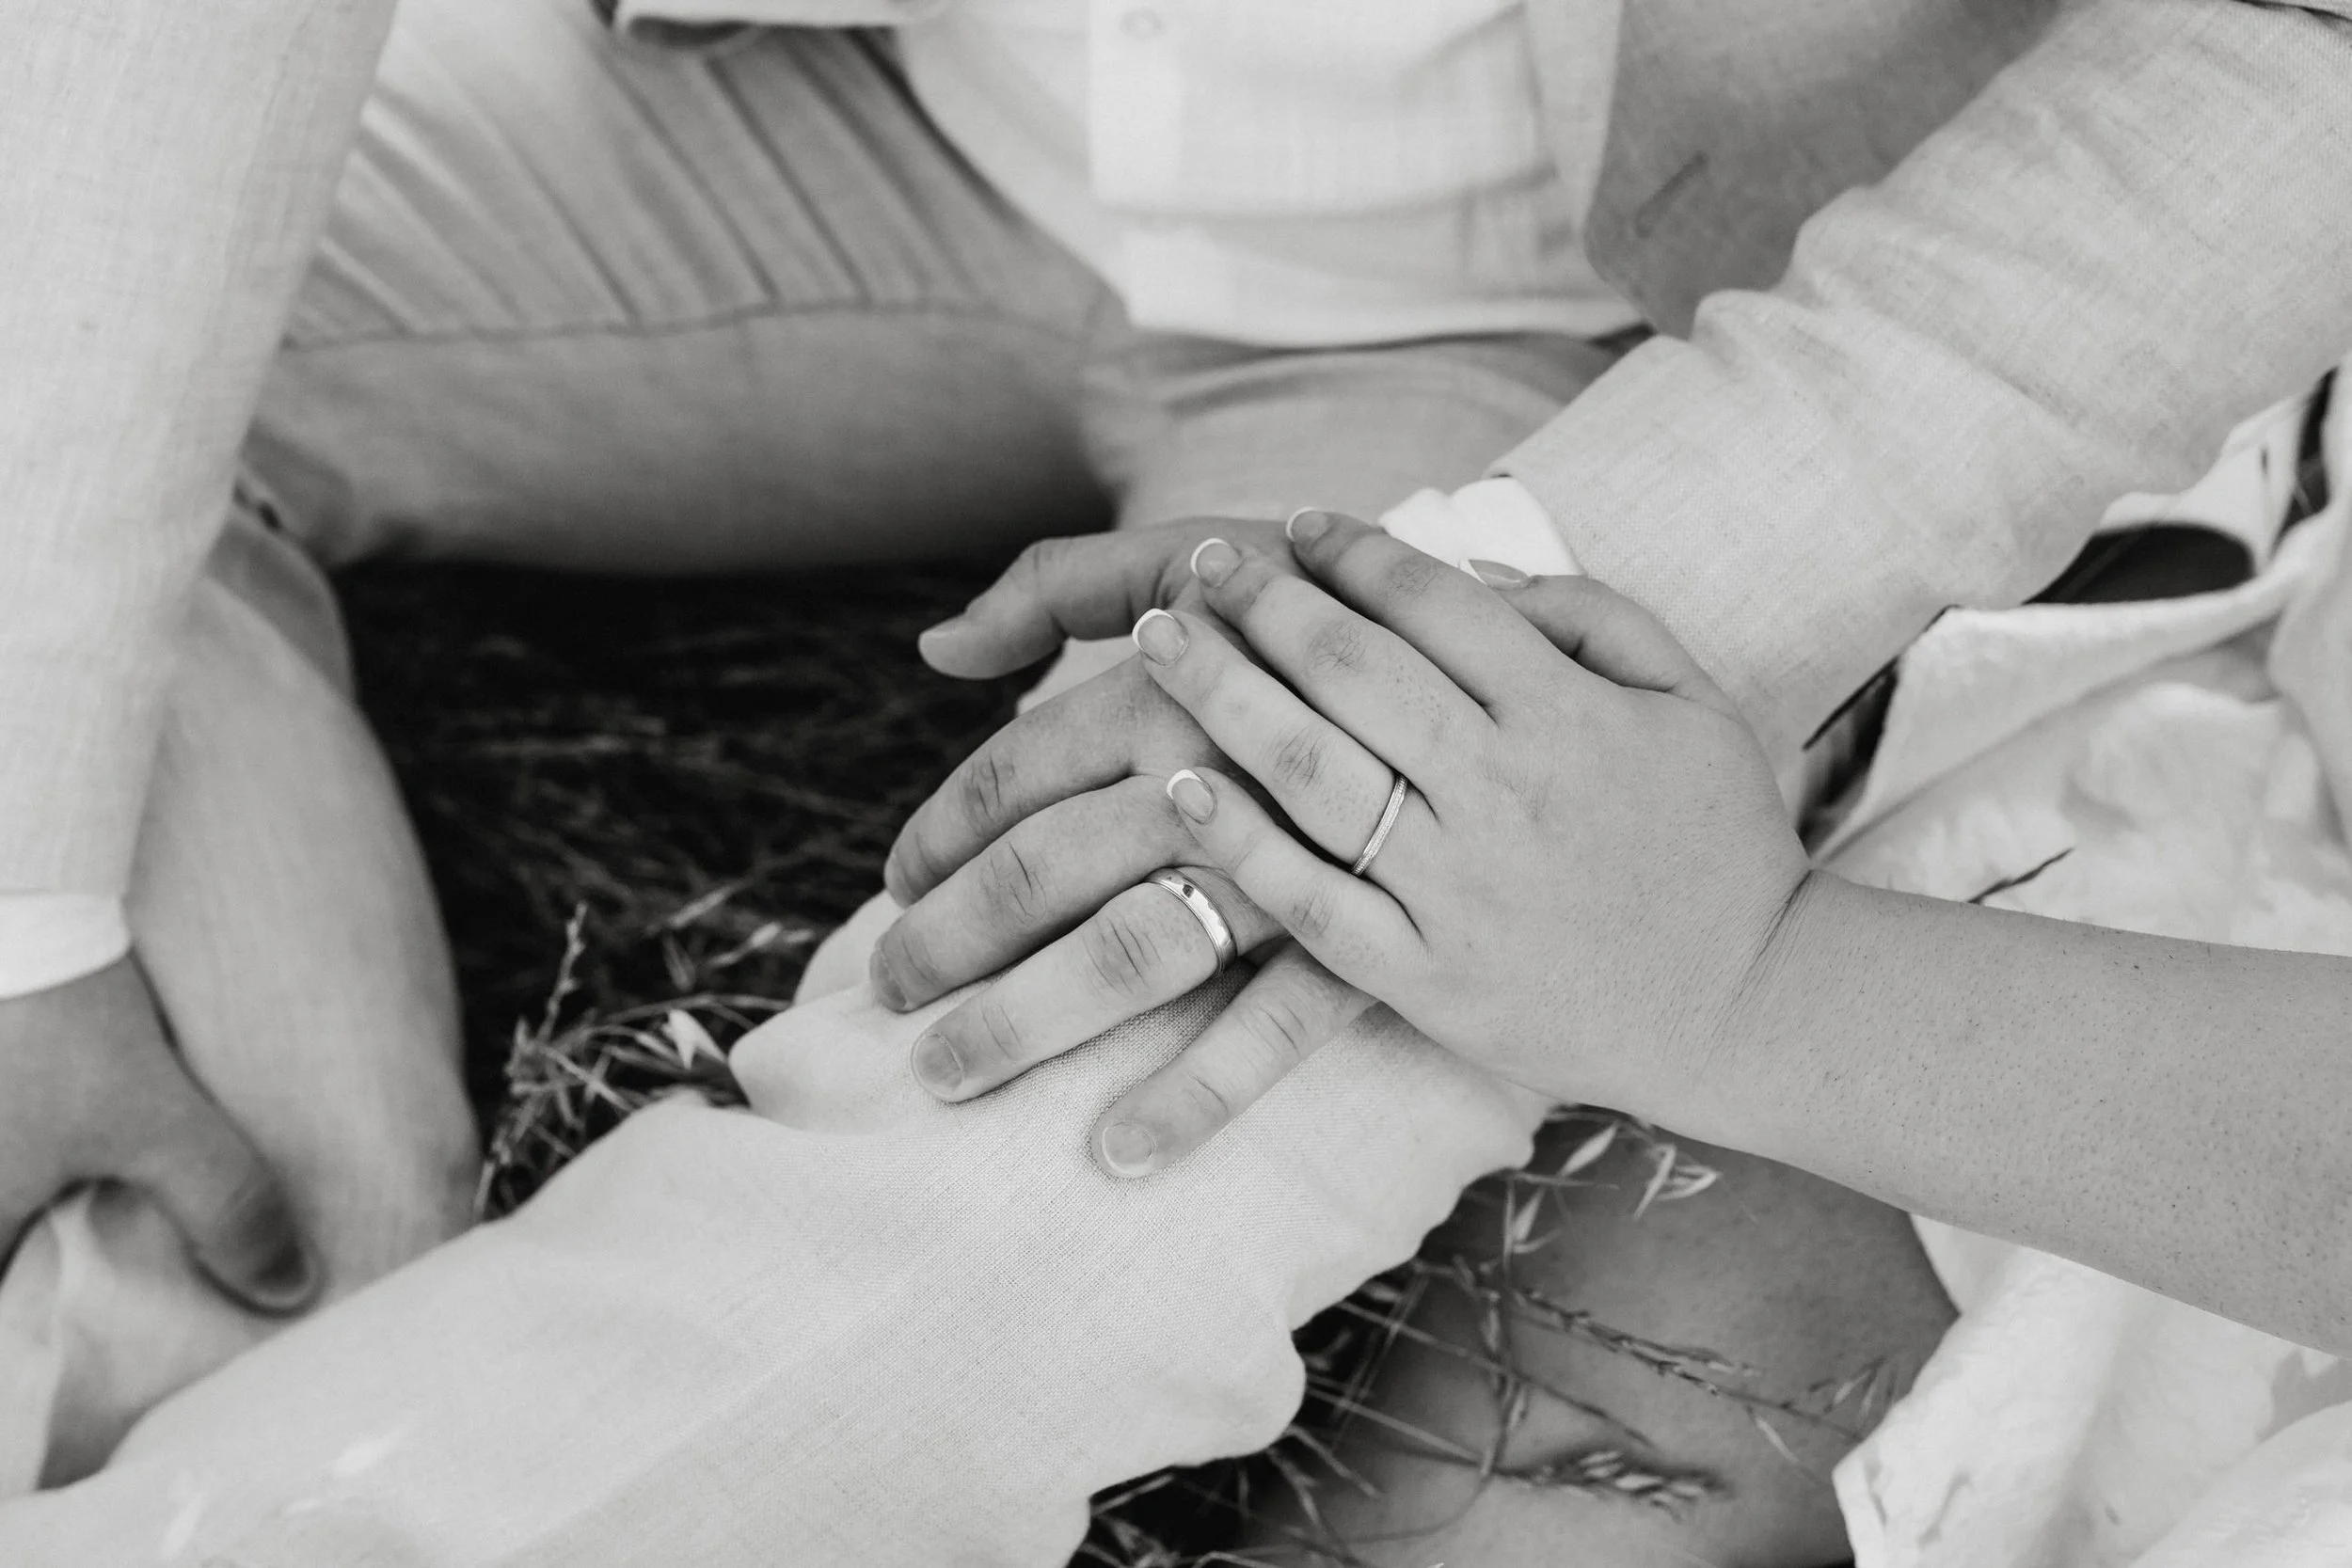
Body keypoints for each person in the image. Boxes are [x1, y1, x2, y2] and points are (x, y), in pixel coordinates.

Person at [4, 0, 2351, 1558]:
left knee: (1189, 1026)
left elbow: (2247, 93)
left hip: (1618, 303)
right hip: (896, 126)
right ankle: (258, 1316)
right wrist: (27, 901)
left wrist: (1465, 662)